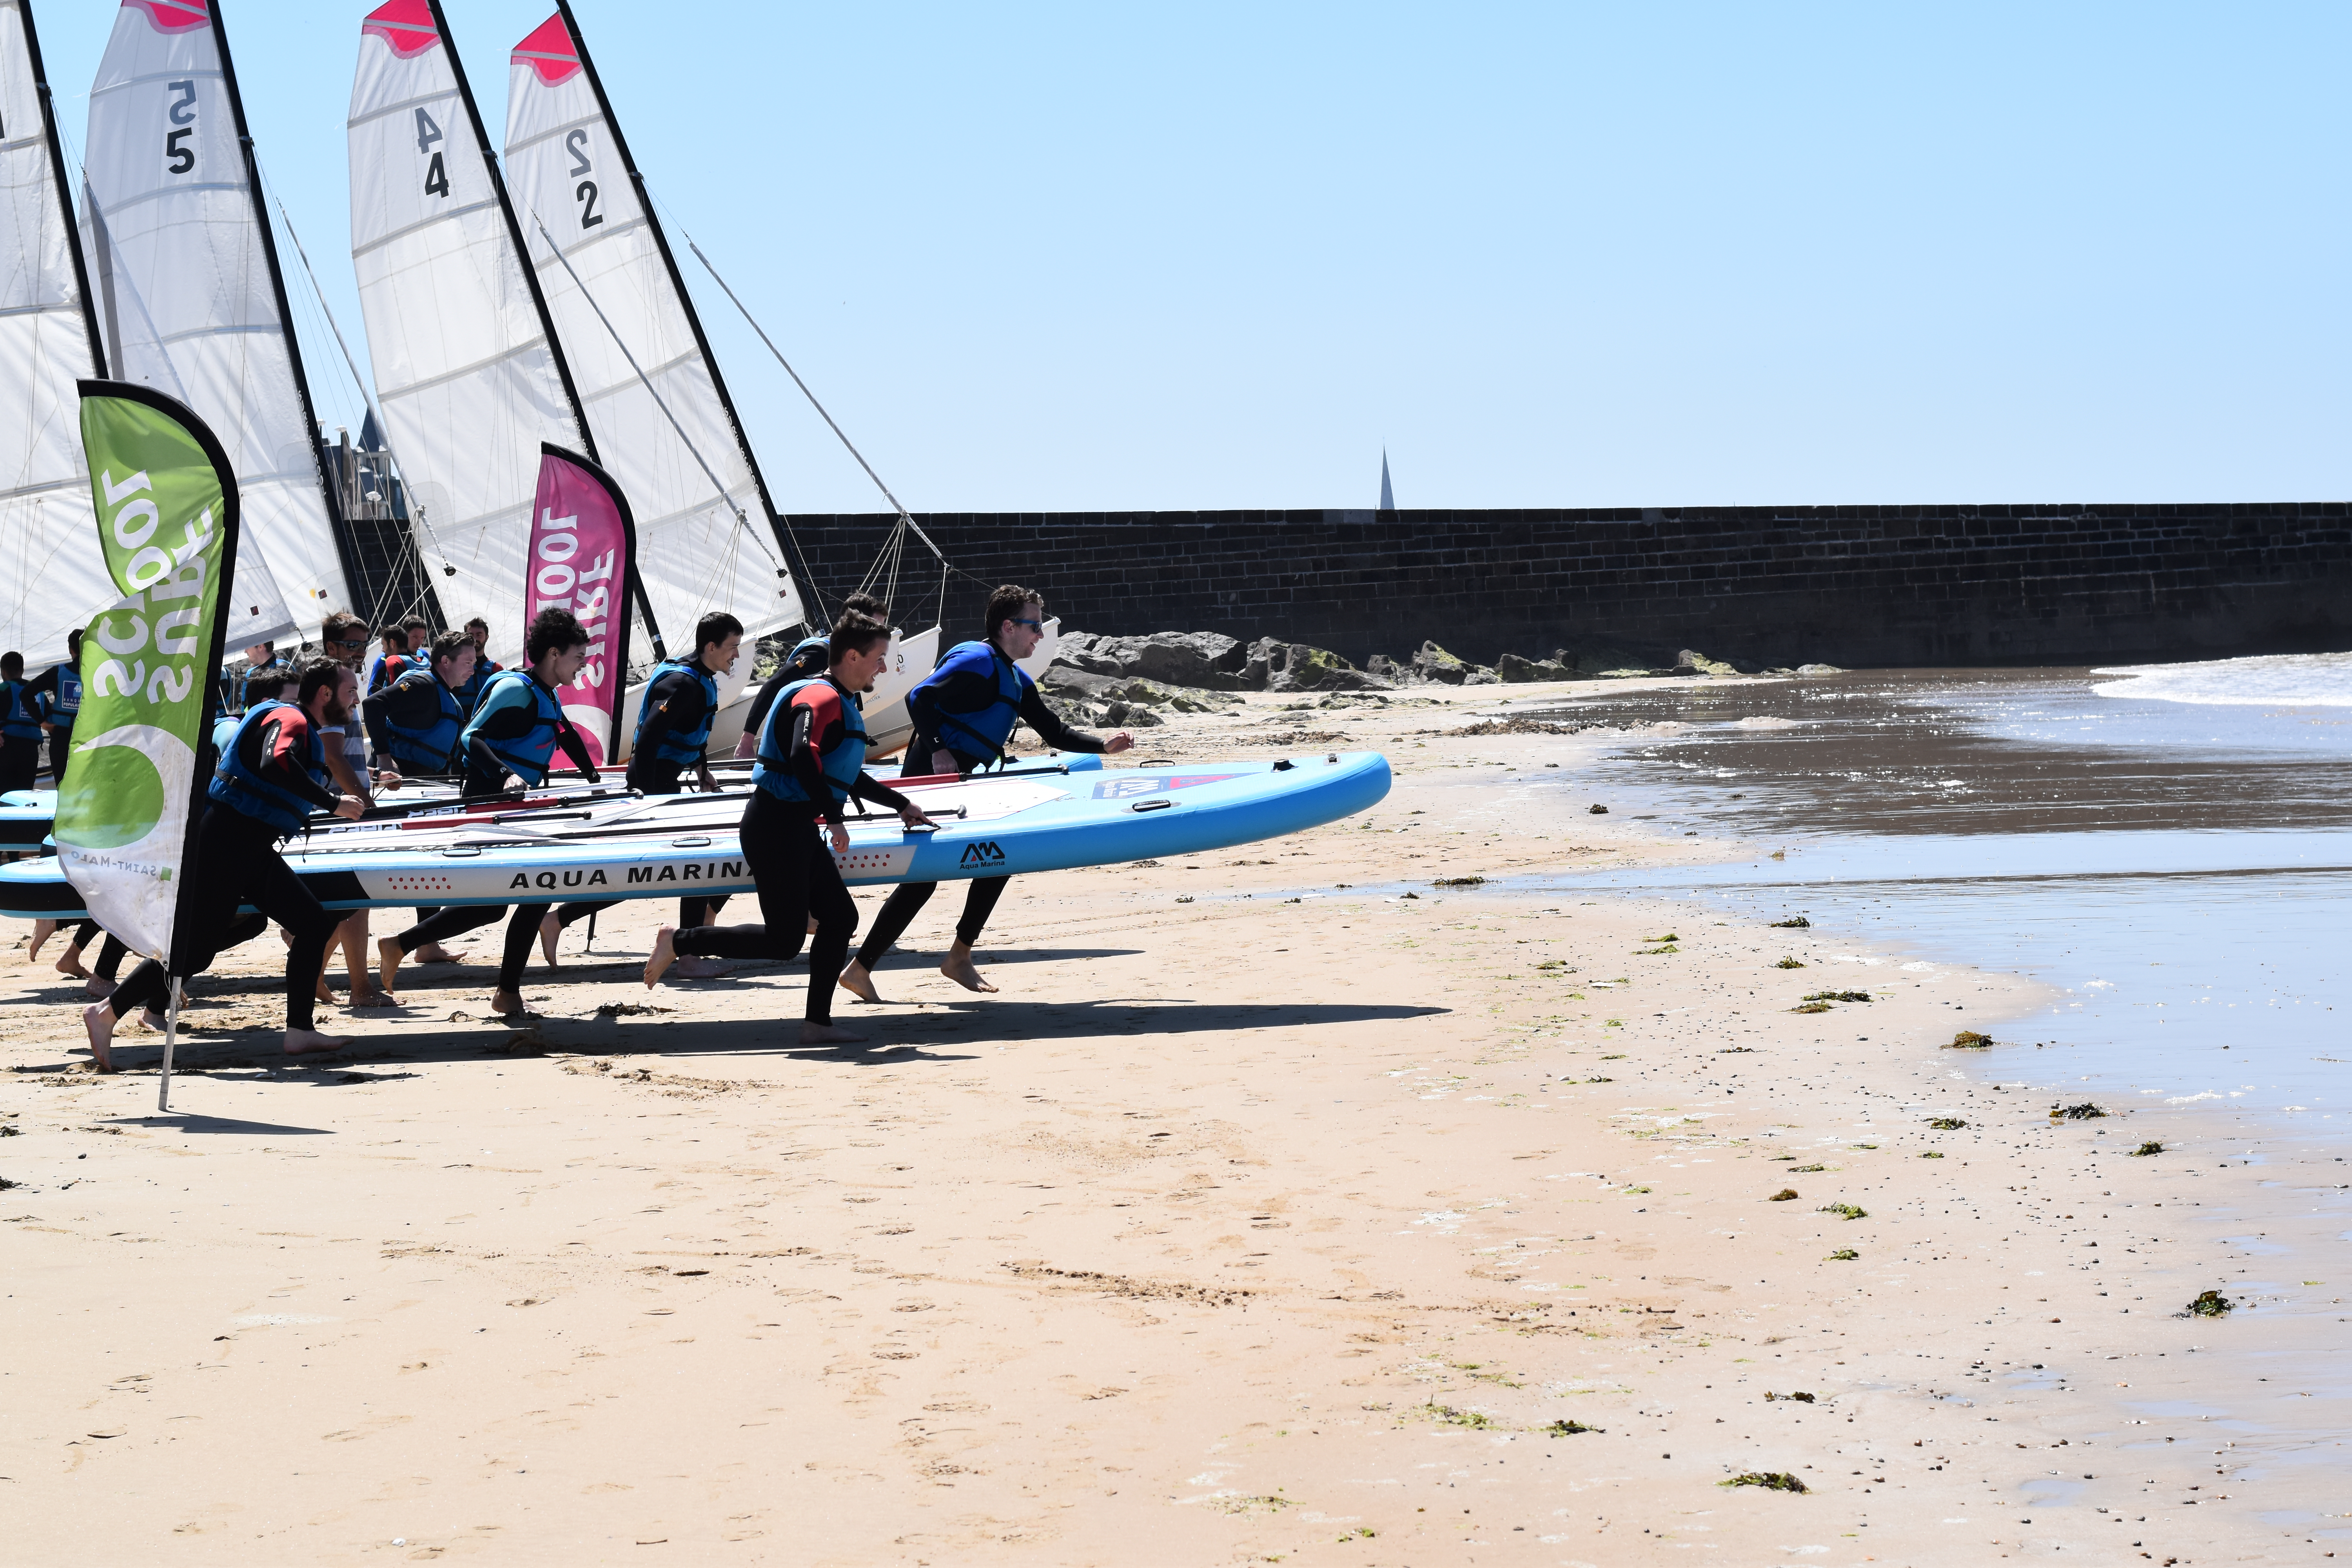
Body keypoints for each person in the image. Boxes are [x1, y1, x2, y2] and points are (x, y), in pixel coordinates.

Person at [643, 613, 931, 1044]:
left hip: (792, 826)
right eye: (879, 658)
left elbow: (843, 771)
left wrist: (900, 804)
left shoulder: (839, 698)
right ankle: (679, 940)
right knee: (784, 941)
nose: (883, 668)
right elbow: (801, 753)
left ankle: (817, 1022)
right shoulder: (821, 696)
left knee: (840, 918)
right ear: (852, 656)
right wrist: (833, 819)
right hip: (776, 826)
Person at [838, 585, 1131, 1000]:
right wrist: (939, 750)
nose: (1039, 636)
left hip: (964, 780)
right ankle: (862, 968)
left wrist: (1103, 746)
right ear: (1007, 626)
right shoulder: (976, 660)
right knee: (924, 879)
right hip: (932, 777)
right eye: (1034, 626)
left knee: (999, 857)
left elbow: (1054, 731)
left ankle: (955, 956)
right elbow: (919, 698)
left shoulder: (1014, 676)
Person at [80, 658, 367, 1071]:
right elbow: (276, 761)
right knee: (196, 951)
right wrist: (333, 802)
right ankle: (106, 1011)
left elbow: (278, 773)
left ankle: (300, 1031)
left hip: (243, 844)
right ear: (326, 694)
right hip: (226, 841)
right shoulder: (292, 719)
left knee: (312, 924)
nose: (356, 698)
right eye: (350, 691)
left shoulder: (293, 720)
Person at [376, 608, 599, 1016]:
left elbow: (564, 733)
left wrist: (595, 780)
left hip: (515, 809)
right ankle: (505, 991)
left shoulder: (545, 691)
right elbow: (470, 736)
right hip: (490, 804)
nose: (583, 663)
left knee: (501, 904)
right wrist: (506, 775)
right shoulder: (516, 688)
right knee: (531, 894)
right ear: (554, 653)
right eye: (578, 655)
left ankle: (402, 945)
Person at [539, 611, 742, 967]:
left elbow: (687, 735)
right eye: (732, 648)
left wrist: (701, 769)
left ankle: (558, 920)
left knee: (671, 870)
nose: (736, 656)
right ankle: (689, 953)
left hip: (666, 780)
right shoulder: (682, 684)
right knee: (676, 868)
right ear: (710, 647)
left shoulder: (701, 678)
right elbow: (648, 740)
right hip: (653, 785)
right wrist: (649, 799)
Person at [733, 592, 890, 760]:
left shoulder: (855, 660)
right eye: (876, 625)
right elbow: (774, 685)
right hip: (793, 749)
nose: (880, 633)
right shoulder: (822, 653)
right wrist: (747, 740)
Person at [361, 629, 475, 777]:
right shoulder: (423, 685)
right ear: (446, 661)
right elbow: (373, 704)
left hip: (421, 783)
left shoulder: (445, 694)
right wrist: (384, 757)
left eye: (473, 664)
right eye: (468, 663)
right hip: (394, 780)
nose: (472, 671)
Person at [33, 630, 83, 782]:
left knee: (63, 786)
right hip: (88, 737)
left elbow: (26, 694)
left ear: (71, 649)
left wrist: (43, 723)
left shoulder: (59, 672)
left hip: (61, 738)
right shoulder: (100, 671)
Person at [0, 652, 45, 793]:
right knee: (24, 796)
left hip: (6, 748)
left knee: (4, 796)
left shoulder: (3, 689)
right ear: (23, 671)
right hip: (30, 752)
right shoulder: (40, 693)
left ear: (3, 671)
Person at [455, 616, 503, 712]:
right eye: (471, 635)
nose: (475, 639)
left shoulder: (496, 669)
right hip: (461, 721)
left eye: (479, 635)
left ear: (487, 637)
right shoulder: (456, 666)